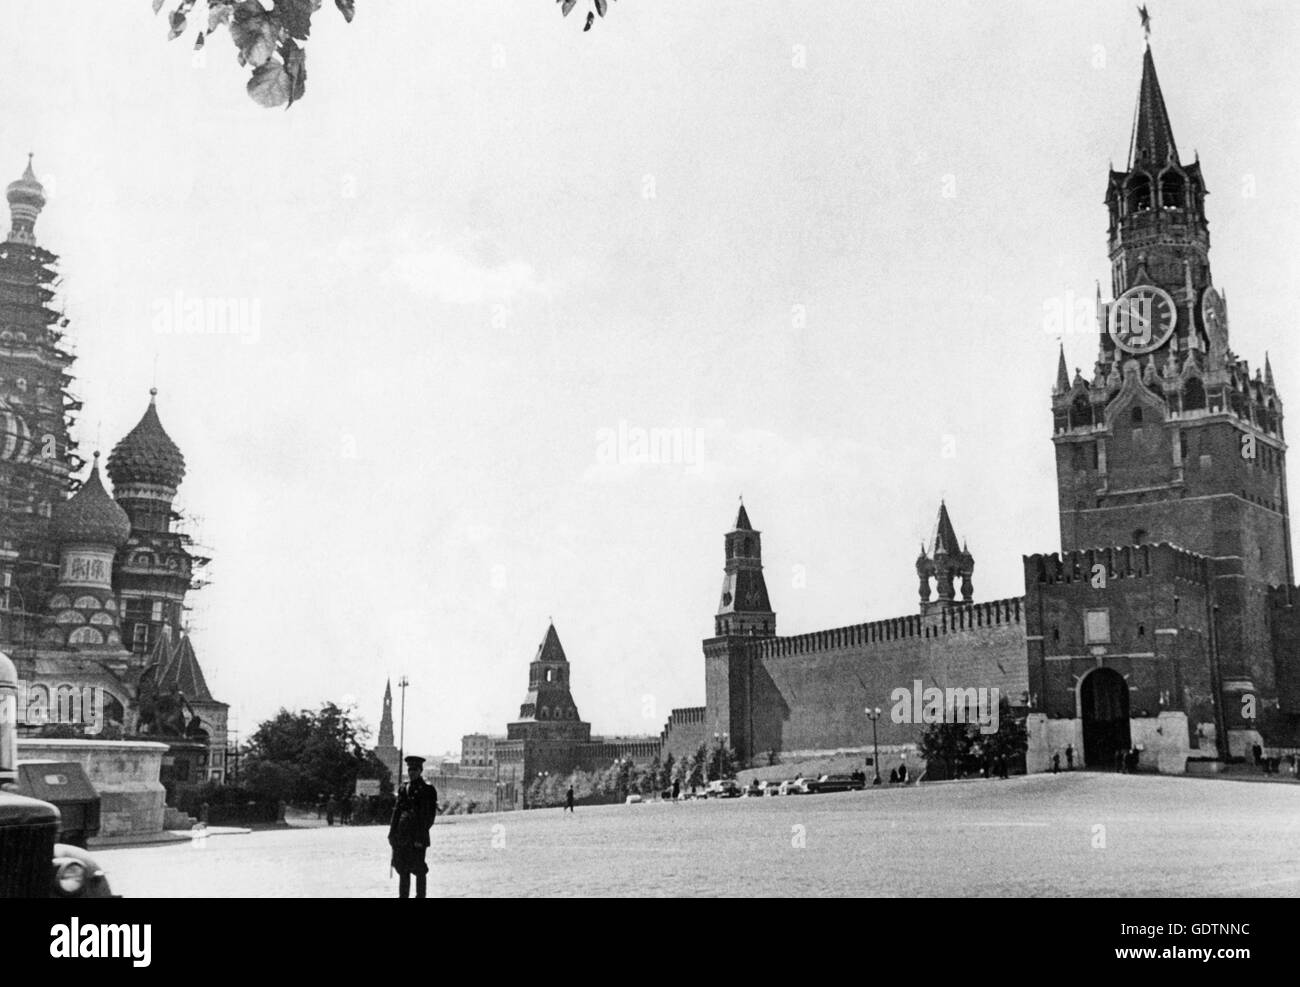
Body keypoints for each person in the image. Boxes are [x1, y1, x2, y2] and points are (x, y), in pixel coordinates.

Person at [389, 755, 439, 899]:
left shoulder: (427, 790)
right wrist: (392, 833)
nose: (412, 772)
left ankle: (420, 896)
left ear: (420, 771)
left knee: (419, 868)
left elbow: (429, 817)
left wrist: (420, 837)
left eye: (415, 769)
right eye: (410, 769)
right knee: (403, 869)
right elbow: (396, 812)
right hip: (402, 835)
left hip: (417, 837)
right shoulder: (403, 788)